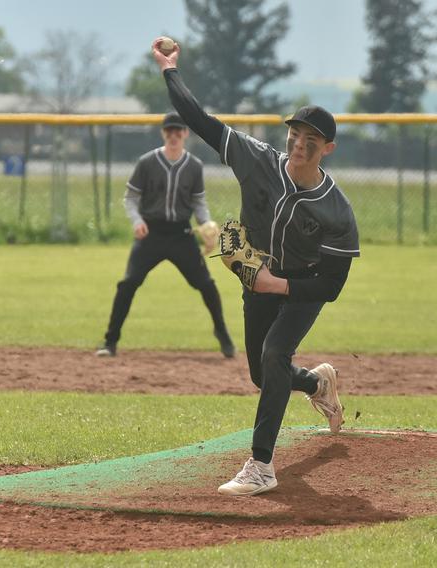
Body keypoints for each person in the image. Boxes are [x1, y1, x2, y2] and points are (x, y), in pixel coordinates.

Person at [151, 38, 360, 496]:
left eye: (311, 140)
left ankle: (261, 466)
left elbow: (332, 284)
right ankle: (318, 383)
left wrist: (278, 284)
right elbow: (198, 119)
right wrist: (170, 70)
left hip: (302, 285)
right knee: (263, 375)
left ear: (328, 148)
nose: (299, 144)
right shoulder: (257, 159)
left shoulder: (336, 210)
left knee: (274, 354)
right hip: (259, 278)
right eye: (295, 135)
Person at [95, 112, 236, 359]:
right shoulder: (147, 162)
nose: (173, 135)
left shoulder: (194, 166)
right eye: (169, 131)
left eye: (178, 131)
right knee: (128, 283)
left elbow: (198, 202)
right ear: (163, 134)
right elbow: (131, 198)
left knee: (206, 285)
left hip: (181, 234)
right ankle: (110, 341)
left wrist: (207, 224)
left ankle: (222, 333)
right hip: (151, 233)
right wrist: (137, 221)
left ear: (185, 134)